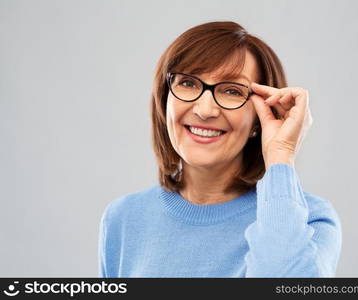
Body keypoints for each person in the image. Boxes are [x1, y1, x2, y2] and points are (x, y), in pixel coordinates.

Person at [98, 21, 342, 277]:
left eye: (232, 91)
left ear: (260, 118)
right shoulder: (123, 219)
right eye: (188, 83)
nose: (205, 111)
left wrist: (280, 153)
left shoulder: (310, 221)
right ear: (164, 99)